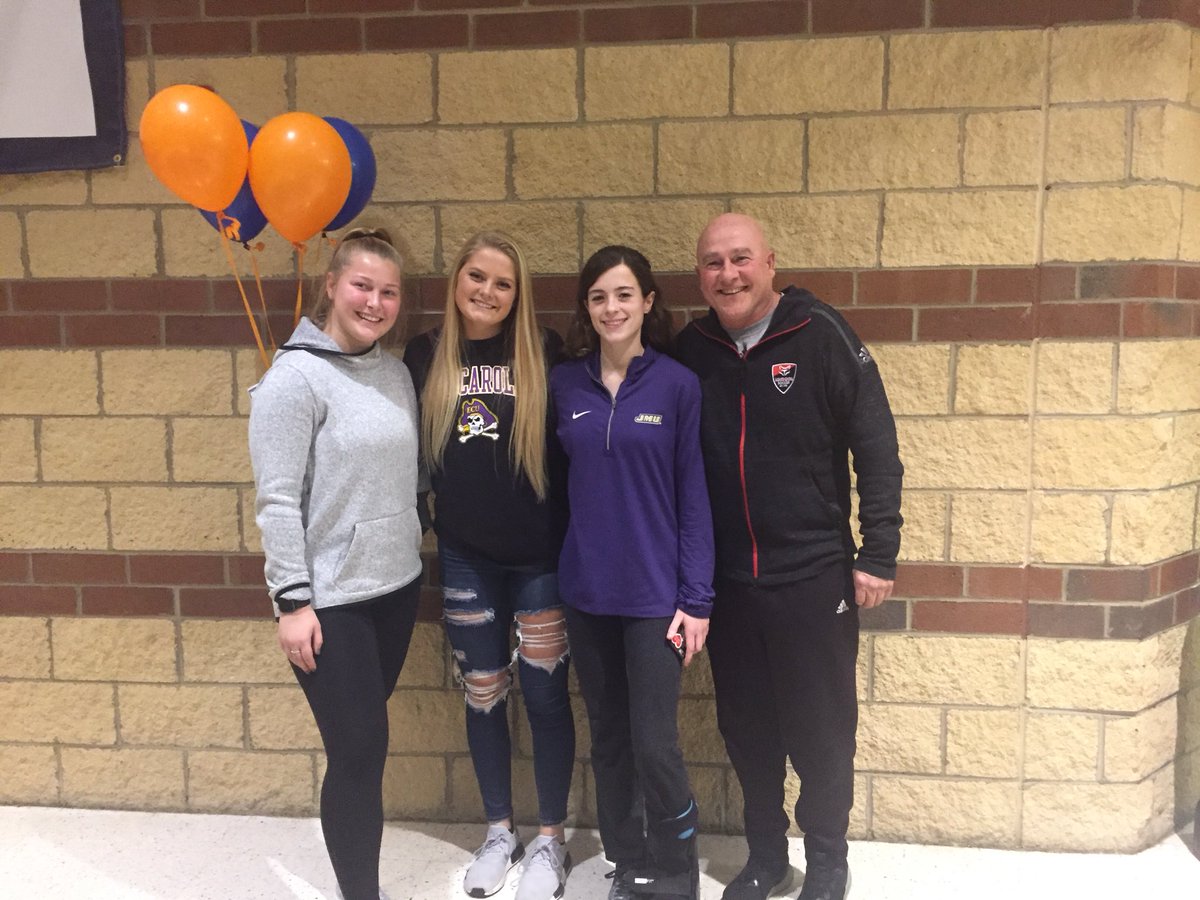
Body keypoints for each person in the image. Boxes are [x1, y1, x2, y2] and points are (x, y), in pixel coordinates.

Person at [674, 214, 904, 900]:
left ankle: (828, 861)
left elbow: (877, 446)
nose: (729, 275)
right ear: (700, 276)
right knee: (747, 730)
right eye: (713, 263)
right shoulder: (692, 350)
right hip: (731, 585)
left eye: (740, 259)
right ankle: (767, 856)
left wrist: (878, 553)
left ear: (770, 262)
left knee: (822, 727)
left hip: (814, 577)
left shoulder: (820, 333)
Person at [247, 227, 425, 900]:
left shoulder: (395, 370)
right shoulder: (292, 381)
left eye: (388, 292)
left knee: (362, 748)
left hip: (396, 588)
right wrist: (291, 601)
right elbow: (277, 501)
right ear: (331, 285)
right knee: (358, 756)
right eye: (362, 286)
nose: (375, 303)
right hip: (329, 603)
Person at [403, 232, 575, 900]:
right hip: (465, 555)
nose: (487, 292)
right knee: (483, 691)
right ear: (456, 280)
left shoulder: (544, 351)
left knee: (544, 694)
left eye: (503, 283)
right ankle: (499, 832)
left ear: (518, 294)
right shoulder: (425, 354)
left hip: (541, 558)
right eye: (477, 276)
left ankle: (551, 841)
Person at [551, 245, 714, 900]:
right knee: (610, 739)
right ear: (586, 309)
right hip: (587, 594)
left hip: (656, 598)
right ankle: (626, 860)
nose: (611, 308)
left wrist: (696, 599)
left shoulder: (677, 385)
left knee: (654, 741)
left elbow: (693, 498)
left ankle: (675, 866)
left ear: (648, 302)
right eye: (598, 297)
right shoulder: (566, 386)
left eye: (624, 294)